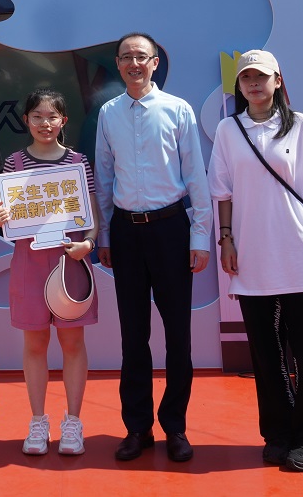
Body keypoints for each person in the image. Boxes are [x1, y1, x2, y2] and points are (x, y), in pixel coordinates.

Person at [208, 49, 303, 473]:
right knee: (266, 353)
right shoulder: (229, 130)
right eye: (246, 77)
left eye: (261, 77)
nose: (254, 84)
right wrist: (226, 239)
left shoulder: (299, 125)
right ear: (238, 85)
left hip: (300, 250)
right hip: (253, 254)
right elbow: (223, 192)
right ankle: (279, 434)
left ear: (278, 81)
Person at [94, 32, 211, 463]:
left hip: (170, 230)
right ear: (118, 63)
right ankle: (137, 427)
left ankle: (175, 426)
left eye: (141, 56)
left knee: (178, 335)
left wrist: (200, 236)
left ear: (155, 62)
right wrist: (105, 235)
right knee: (133, 335)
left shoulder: (177, 109)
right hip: (126, 233)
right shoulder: (109, 113)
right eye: (126, 57)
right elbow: (104, 177)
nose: (134, 63)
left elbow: (195, 175)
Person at [0, 88, 98, 457]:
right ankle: (38, 421)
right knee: (35, 344)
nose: (44, 123)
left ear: (63, 121)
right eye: (37, 116)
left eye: (52, 116)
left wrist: (89, 243)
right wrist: (0, 217)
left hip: (70, 261)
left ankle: (73, 422)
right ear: (26, 120)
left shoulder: (78, 162)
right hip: (29, 263)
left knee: (73, 343)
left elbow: (92, 215)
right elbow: (8, 216)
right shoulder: (14, 164)